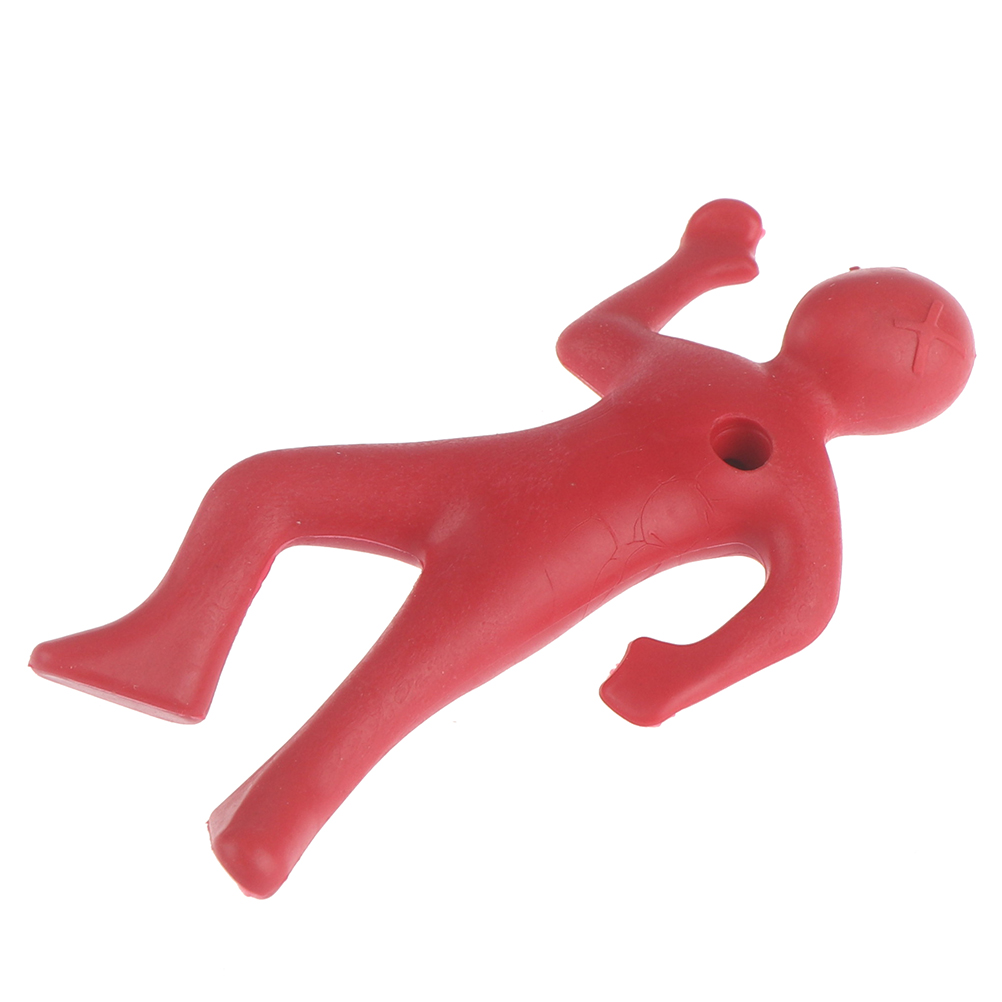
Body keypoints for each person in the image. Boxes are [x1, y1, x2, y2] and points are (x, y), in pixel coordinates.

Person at [30, 199, 974, 897]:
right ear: (906, 414)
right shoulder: (801, 481)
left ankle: (248, 794)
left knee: (269, 491)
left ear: (828, 303)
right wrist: (677, 673)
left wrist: (696, 264)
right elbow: (805, 606)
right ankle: (178, 678)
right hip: (521, 531)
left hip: (504, 515)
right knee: (386, 675)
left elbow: (591, 336)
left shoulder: (711, 383)